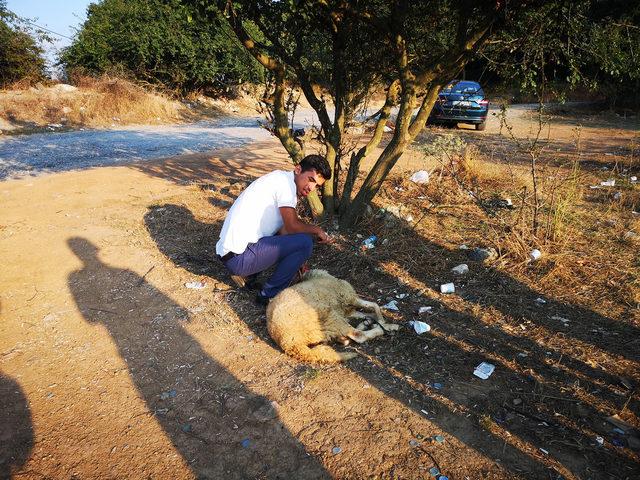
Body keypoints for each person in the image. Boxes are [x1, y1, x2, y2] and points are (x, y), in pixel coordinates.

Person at [216, 154, 333, 305]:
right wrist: (317, 230)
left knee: (299, 243)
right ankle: (268, 295)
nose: (311, 188)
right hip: (238, 258)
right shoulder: (286, 186)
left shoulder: (280, 179)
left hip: (230, 254)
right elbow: (292, 226)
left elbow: (284, 232)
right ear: (298, 169)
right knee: (305, 242)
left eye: (317, 186)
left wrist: (297, 257)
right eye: (311, 180)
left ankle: (249, 276)